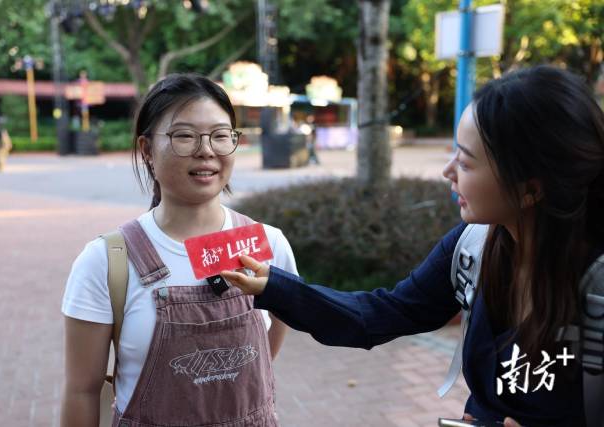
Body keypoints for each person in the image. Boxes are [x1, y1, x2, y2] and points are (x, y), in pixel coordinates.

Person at [221, 65, 604, 427]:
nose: (448, 171)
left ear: (530, 189)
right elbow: (383, 313)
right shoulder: (474, 246)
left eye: (467, 163)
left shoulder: (596, 283)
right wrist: (275, 286)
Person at [61, 74, 298, 427]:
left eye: (220, 135)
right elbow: (82, 391)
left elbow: (273, 338)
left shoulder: (268, 243)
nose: (207, 150)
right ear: (147, 150)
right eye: (185, 135)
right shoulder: (106, 262)